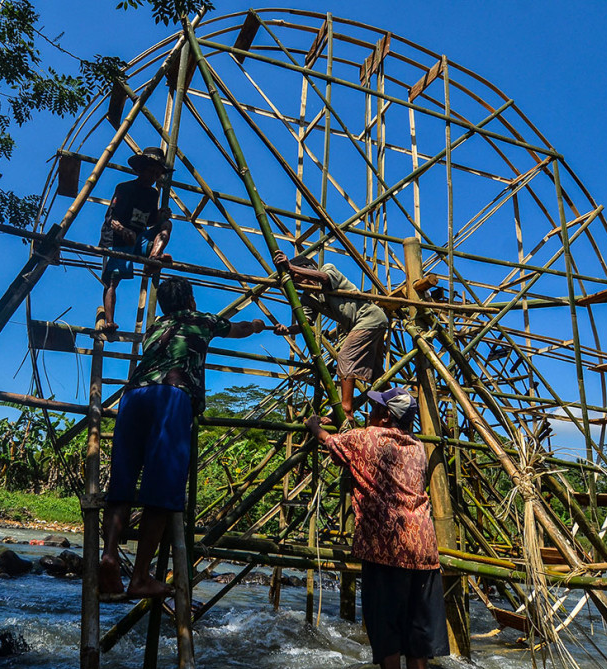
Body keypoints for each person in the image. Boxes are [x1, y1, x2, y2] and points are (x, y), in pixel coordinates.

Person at [98, 277, 269, 598]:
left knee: (121, 488)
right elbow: (239, 328)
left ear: (162, 304)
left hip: (133, 395)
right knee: (161, 492)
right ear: (190, 299)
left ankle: (108, 555)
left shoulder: (155, 326)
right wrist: (258, 324)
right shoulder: (202, 319)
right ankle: (139, 577)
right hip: (171, 394)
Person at [305, 387, 448, 669]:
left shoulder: (366, 437)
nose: (370, 411)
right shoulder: (418, 447)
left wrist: (314, 425)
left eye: (376, 408)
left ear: (384, 417)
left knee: (385, 626)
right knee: (416, 626)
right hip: (423, 546)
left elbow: (330, 443)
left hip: (387, 546)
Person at [272, 250, 389, 423]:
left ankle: (346, 410)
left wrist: (290, 267)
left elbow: (325, 278)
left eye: (295, 277)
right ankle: (391, 405)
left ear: (305, 268)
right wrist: (288, 330)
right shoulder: (308, 298)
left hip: (369, 317)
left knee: (345, 356)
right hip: (362, 324)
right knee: (376, 371)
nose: (296, 282)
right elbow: (305, 323)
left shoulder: (327, 269)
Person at [98, 146, 174, 332]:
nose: (153, 176)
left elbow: (148, 220)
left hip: (139, 238)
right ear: (141, 169)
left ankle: (153, 257)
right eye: (150, 171)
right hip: (117, 240)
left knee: (167, 225)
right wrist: (123, 231)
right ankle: (109, 320)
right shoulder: (124, 189)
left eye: (157, 174)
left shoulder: (152, 194)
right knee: (112, 282)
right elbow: (111, 218)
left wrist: (160, 216)